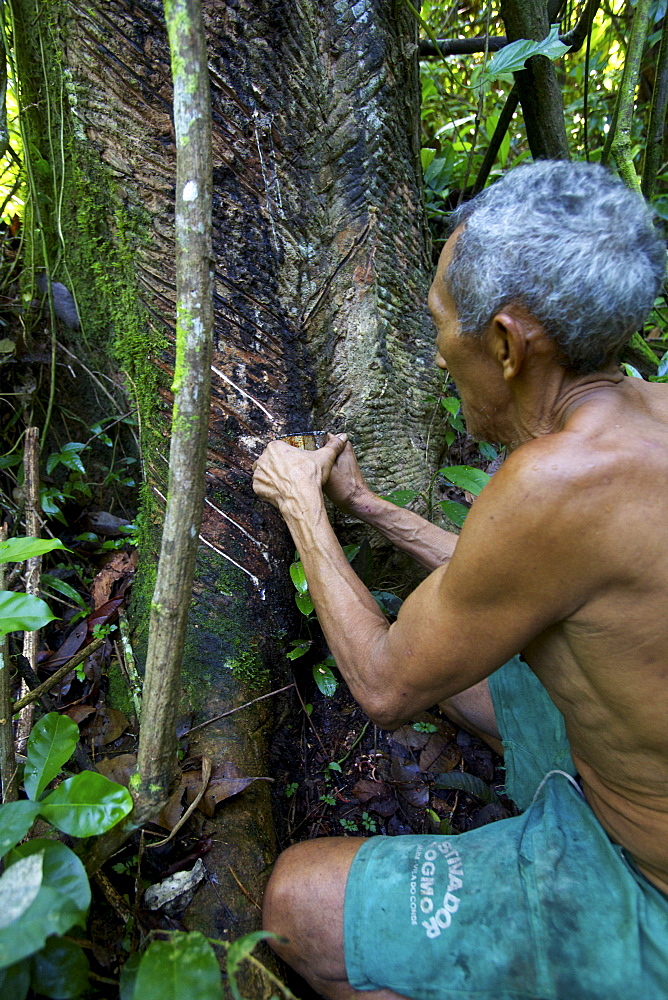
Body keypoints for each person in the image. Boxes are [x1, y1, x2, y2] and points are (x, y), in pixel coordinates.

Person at [252, 160, 668, 1000]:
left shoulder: (552, 486)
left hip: (650, 883)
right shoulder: (647, 411)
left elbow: (380, 684)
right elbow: (524, 577)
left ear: (508, 345)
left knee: (294, 903)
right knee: (455, 660)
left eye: (444, 327)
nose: (439, 354)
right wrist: (366, 505)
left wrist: (304, 511)